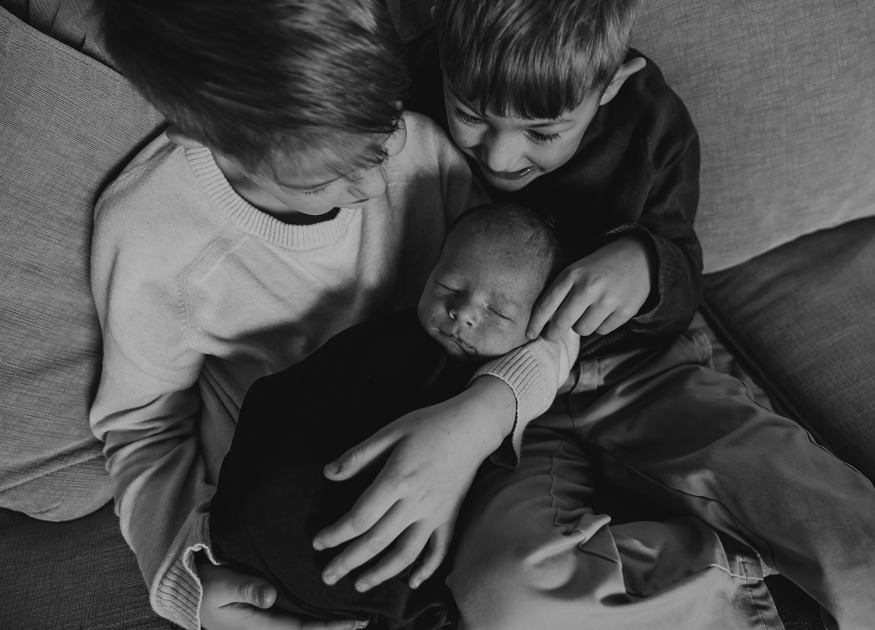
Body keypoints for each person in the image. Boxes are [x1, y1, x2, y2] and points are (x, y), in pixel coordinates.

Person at [403, 0, 875, 628]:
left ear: (610, 86)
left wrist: (643, 260)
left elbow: (683, 267)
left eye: (542, 132)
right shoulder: (409, 90)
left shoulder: (651, 122)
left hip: (650, 375)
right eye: (470, 114)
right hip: (510, 417)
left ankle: (826, 561)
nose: (497, 157)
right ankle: (764, 576)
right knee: (507, 600)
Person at [89, 2, 575, 629]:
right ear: (205, 133)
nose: (377, 188)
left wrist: (488, 411)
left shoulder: (424, 156)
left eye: (384, 137)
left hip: (468, 471)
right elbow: (141, 429)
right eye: (328, 180)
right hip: (291, 528)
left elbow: (543, 317)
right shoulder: (152, 236)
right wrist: (193, 586)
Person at [209, 203, 568, 630]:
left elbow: (565, 343)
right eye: (449, 284)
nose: (464, 311)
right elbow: (288, 401)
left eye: (499, 313)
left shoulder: (517, 365)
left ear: (539, 323)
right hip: (260, 516)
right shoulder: (387, 340)